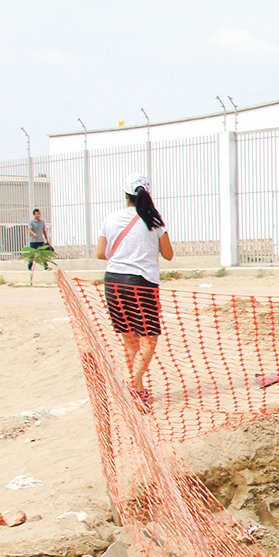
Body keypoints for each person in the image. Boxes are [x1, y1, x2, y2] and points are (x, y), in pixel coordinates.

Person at [95, 173, 172, 411]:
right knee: (149, 338)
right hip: (142, 284)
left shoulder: (110, 218)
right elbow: (168, 254)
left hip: (113, 282)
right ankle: (135, 385)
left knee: (129, 338)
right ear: (147, 194)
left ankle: (137, 389)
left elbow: (100, 253)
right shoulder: (154, 220)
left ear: (125, 194)